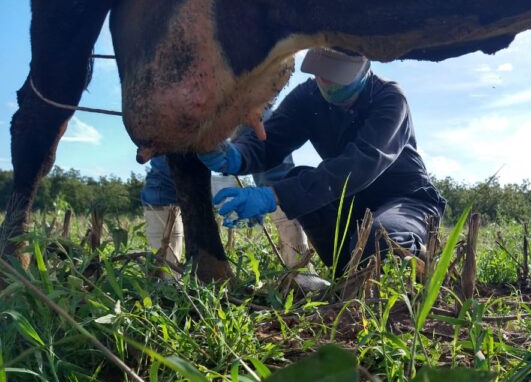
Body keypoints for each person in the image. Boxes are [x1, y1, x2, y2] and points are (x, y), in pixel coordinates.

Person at [199, 47, 446, 276]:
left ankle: (415, 257)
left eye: (335, 74)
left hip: (404, 199)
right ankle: (346, 272)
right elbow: (270, 140)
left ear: (363, 68)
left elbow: (357, 165)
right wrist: (235, 155)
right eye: (321, 71)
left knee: (381, 240)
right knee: (302, 188)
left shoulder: (390, 100)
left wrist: (272, 196)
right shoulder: (308, 97)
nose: (325, 80)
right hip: (349, 200)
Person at [140, 124, 310, 272]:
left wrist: (272, 196)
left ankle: (300, 268)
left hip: (238, 98)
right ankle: (166, 275)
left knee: (269, 146)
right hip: (180, 110)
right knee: (164, 173)